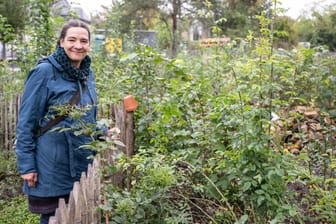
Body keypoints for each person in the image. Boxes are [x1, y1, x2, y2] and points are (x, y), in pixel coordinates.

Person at [15, 19, 111, 224]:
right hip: (52, 163)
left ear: (89, 45)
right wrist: (26, 165)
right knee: (54, 217)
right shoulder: (44, 72)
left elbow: (85, 117)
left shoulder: (87, 74)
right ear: (61, 42)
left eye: (84, 41)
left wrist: (103, 131)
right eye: (72, 39)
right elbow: (26, 121)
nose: (78, 45)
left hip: (82, 159)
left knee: (79, 213)